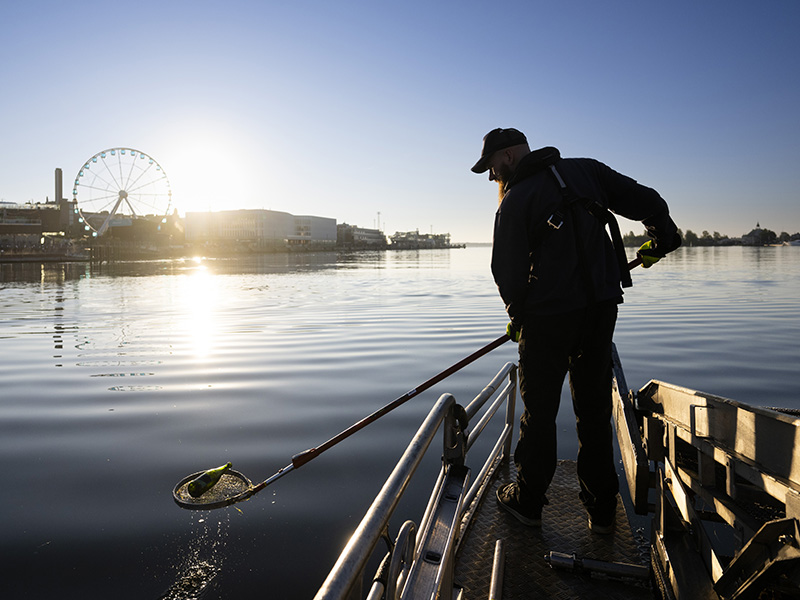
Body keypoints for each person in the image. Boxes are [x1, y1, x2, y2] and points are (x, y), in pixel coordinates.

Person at [471, 127, 680, 534]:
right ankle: (602, 511)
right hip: (600, 312)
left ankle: (528, 501)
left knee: (540, 413)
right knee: (594, 411)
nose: (493, 178)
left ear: (509, 156)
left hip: (548, 321)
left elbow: (507, 271)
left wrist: (516, 313)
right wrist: (663, 237)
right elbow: (648, 201)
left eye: (493, 169)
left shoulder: (515, 200)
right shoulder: (588, 171)